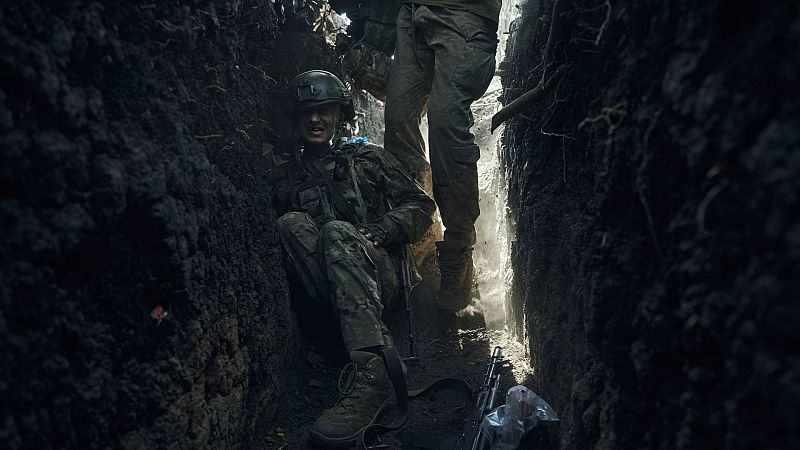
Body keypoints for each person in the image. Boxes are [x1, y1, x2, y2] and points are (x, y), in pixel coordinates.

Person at [268, 70, 435, 447]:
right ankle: (361, 345)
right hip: (331, 292)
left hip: (381, 277)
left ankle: (374, 367)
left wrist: (382, 229)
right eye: (307, 111)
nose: (315, 119)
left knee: (337, 231)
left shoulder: (368, 159)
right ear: (295, 119)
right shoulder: (285, 181)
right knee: (291, 224)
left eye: (324, 110)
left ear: (339, 115)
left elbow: (420, 205)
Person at [384, 0, 501, 312]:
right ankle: (418, 227)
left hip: (466, 15)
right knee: (397, 120)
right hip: (414, 12)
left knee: (445, 122)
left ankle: (458, 247)